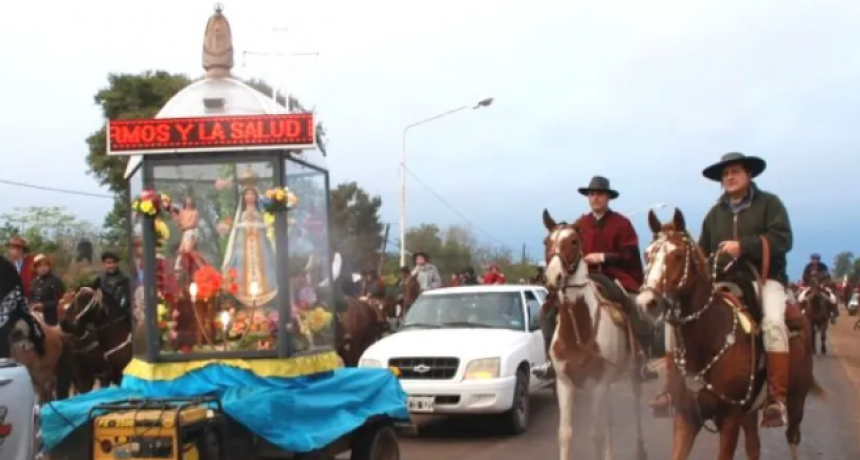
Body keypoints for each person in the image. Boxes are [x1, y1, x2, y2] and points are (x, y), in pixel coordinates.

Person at [652, 152, 793, 428]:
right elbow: (703, 254)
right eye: (725, 174)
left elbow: (783, 239)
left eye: (735, 172)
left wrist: (744, 246)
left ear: (748, 175)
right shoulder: (714, 214)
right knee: (675, 321)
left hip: (762, 280)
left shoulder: (770, 204)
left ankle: (777, 399)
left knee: (774, 323)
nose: (729, 177)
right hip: (721, 282)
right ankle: (671, 389)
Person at [534, 175, 650, 381]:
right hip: (581, 277)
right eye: (592, 194)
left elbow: (630, 254)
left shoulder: (622, 224)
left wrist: (603, 257)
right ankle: (551, 361)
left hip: (611, 276)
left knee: (633, 306)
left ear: (608, 197)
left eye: (600, 194)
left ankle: (642, 359)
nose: (595, 198)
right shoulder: (580, 225)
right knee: (546, 313)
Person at [798, 253, 838, 320]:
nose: (815, 260)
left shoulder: (823, 266)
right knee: (800, 298)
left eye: (817, 259)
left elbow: (828, 277)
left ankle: (832, 314)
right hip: (810, 287)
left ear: (819, 260)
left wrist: (823, 284)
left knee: (833, 298)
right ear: (811, 259)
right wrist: (808, 284)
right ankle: (801, 314)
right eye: (814, 259)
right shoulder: (808, 267)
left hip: (822, 287)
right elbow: (804, 277)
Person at [29, 254, 66, 326]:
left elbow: (62, 301)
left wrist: (44, 305)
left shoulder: (55, 281)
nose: (43, 268)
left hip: (52, 319)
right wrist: (32, 304)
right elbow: (31, 297)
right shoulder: (34, 282)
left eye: (45, 265)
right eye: (40, 266)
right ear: (36, 268)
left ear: (49, 266)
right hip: (37, 318)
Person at [92, 251, 132, 317]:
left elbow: (128, 299)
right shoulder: (99, 279)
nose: (111, 265)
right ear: (104, 264)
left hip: (121, 315)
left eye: (114, 262)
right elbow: (94, 295)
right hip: (102, 316)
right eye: (108, 263)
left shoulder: (125, 280)